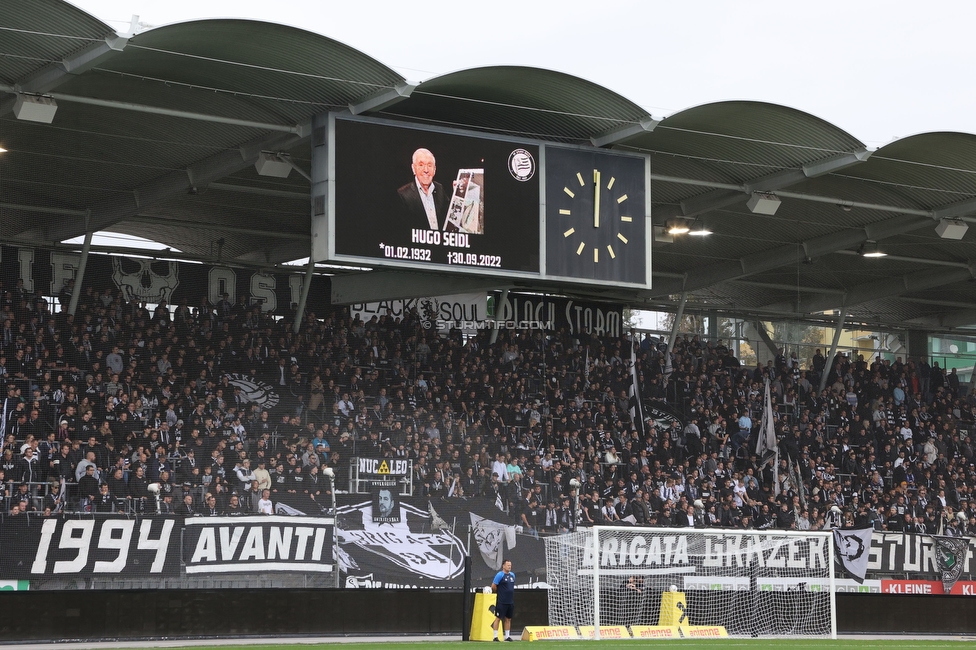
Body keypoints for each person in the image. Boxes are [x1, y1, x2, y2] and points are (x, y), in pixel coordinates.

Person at [397, 148, 448, 230]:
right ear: (413, 168)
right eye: (421, 165)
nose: (426, 170)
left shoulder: (440, 189)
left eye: (429, 165)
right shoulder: (403, 194)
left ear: (434, 169)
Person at [489, 559, 516, 642]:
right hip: (502, 601)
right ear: (503, 566)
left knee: (508, 619)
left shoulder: (512, 575)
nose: (509, 567)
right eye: (508, 565)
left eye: (510, 565)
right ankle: (495, 637)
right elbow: (493, 586)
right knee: (498, 618)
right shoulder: (500, 575)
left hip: (510, 601)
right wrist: (500, 592)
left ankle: (507, 636)